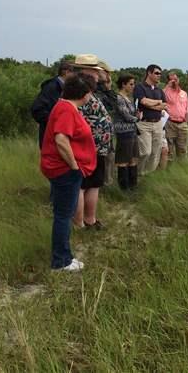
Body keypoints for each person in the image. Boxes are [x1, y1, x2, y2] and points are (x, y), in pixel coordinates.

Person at [40, 73, 97, 272]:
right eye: (90, 93)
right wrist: (74, 166)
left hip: (64, 169)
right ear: (84, 94)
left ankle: (64, 256)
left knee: (63, 214)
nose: (90, 97)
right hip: (64, 170)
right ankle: (61, 261)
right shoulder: (66, 109)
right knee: (64, 215)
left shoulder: (66, 107)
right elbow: (61, 139)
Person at [71, 55, 113, 231]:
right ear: (85, 71)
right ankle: (80, 223)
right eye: (94, 71)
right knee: (83, 186)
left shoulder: (87, 89)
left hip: (96, 147)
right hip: (87, 148)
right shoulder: (80, 91)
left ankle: (90, 220)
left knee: (93, 184)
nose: (98, 74)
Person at [31, 61, 75, 147]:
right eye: (74, 73)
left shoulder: (64, 87)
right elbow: (37, 110)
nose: (75, 76)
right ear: (66, 72)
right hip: (50, 138)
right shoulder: (51, 87)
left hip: (58, 137)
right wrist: (55, 122)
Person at [134, 64, 167, 175]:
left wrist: (151, 104)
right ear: (149, 73)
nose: (159, 76)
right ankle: (138, 173)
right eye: (157, 73)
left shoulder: (159, 90)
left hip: (158, 123)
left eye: (160, 74)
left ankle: (148, 175)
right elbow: (143, 101)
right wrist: (157, 102)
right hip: (144, 124)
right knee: (145, 152)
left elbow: (164, 105)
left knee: (155, 152)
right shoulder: (140, 87)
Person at [112, 73, 140, 190]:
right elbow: (126, 115)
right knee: (123, 159)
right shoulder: (119, 98)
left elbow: (131, 115)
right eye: (131, 84)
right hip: (124, 132)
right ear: (123, 85)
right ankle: (124, 188)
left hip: (132, 131)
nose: (133, 86)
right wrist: (138, 118)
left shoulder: (129, 98)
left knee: (133, 158)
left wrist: (135, 115)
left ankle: (133, 186)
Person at [96, 61, 118, 187]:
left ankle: (107, 185)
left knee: (110, 158)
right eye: (107, 72)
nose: (109, 75)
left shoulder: (105, 89)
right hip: (98, 134)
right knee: (102, 160)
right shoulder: (93, 89)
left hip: (107, 133)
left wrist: (109, 88)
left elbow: (114, 105)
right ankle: (100, 186)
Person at [164, 72, 188, 161]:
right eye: (172, 80)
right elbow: (160, 96)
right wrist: (168, 86)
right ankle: (169, 169)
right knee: (169, 149)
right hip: (170, 123)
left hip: (182, 124)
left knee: (182, 148)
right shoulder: (166, 92)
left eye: (176, 79)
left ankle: (183, 167)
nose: (174, 81)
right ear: (168, 81)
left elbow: (187, 109)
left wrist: (186, 122)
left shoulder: (184, 93)